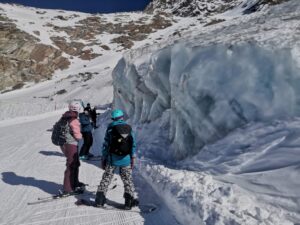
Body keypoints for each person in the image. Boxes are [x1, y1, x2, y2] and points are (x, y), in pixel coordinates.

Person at [95, 109, 138, 210]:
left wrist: (103, 158)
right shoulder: (129, 128)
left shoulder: (110, 129)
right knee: (128, 180)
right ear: (122, 117)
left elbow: (106, 145)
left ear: (113, 118)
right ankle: (129, 202)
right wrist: (132, 157)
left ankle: (99, 200)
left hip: (112, 159)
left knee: (106, 178)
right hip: (126, 159)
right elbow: (133, 145)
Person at [60, 100, 85, 194]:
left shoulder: (65, 116)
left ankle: (74, 182)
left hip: (65, 144)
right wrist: (81, 136)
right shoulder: (73, 119)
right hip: (71, 144)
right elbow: (78, 136)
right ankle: (68, 189)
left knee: (75, 163)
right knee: (71, 165)